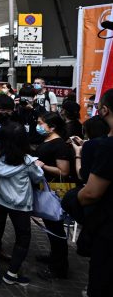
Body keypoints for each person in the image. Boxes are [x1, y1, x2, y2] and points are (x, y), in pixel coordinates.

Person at [0, 122, 44, 287]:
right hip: (20, 205)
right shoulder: (28, 161)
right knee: (23, 238)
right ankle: (11, 274)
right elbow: (38, 178)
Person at [77, 88, 113, 297]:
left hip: (107, 227)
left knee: (102, 279)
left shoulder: (107, 148)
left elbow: (91, 193)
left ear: (104, 110)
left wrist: (75, 199)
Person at [33, 111, 72, 279]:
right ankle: (54, 257)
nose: (38, 126)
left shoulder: (59, 144)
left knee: (56, 229)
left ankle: (60, 267)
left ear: (52, 127)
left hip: (55, 190)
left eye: (41, 123)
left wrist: (42, 165)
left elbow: (63, 171)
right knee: (51, 227)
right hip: (45, 187)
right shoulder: (48, 140)